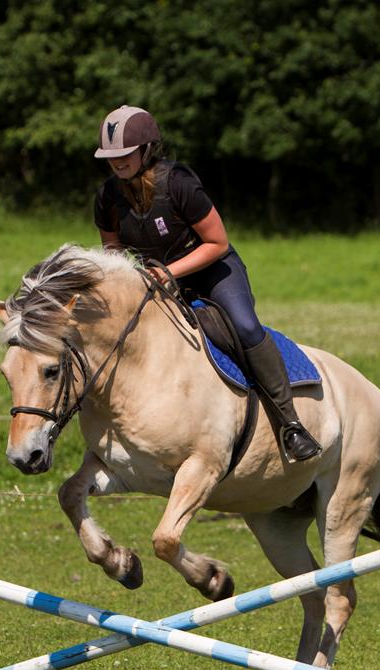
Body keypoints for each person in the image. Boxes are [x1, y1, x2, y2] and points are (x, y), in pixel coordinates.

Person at [92, 105, 320, 463]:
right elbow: (114, 256)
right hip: (157, 280)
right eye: (111, 157)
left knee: (244, 327)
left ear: (147, 150)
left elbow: (218, 243)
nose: (117, 162)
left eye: (124, 154)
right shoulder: (107, 197)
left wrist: (169, 273)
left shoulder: (179, 182)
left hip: (213, 271)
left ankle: (290, 424)